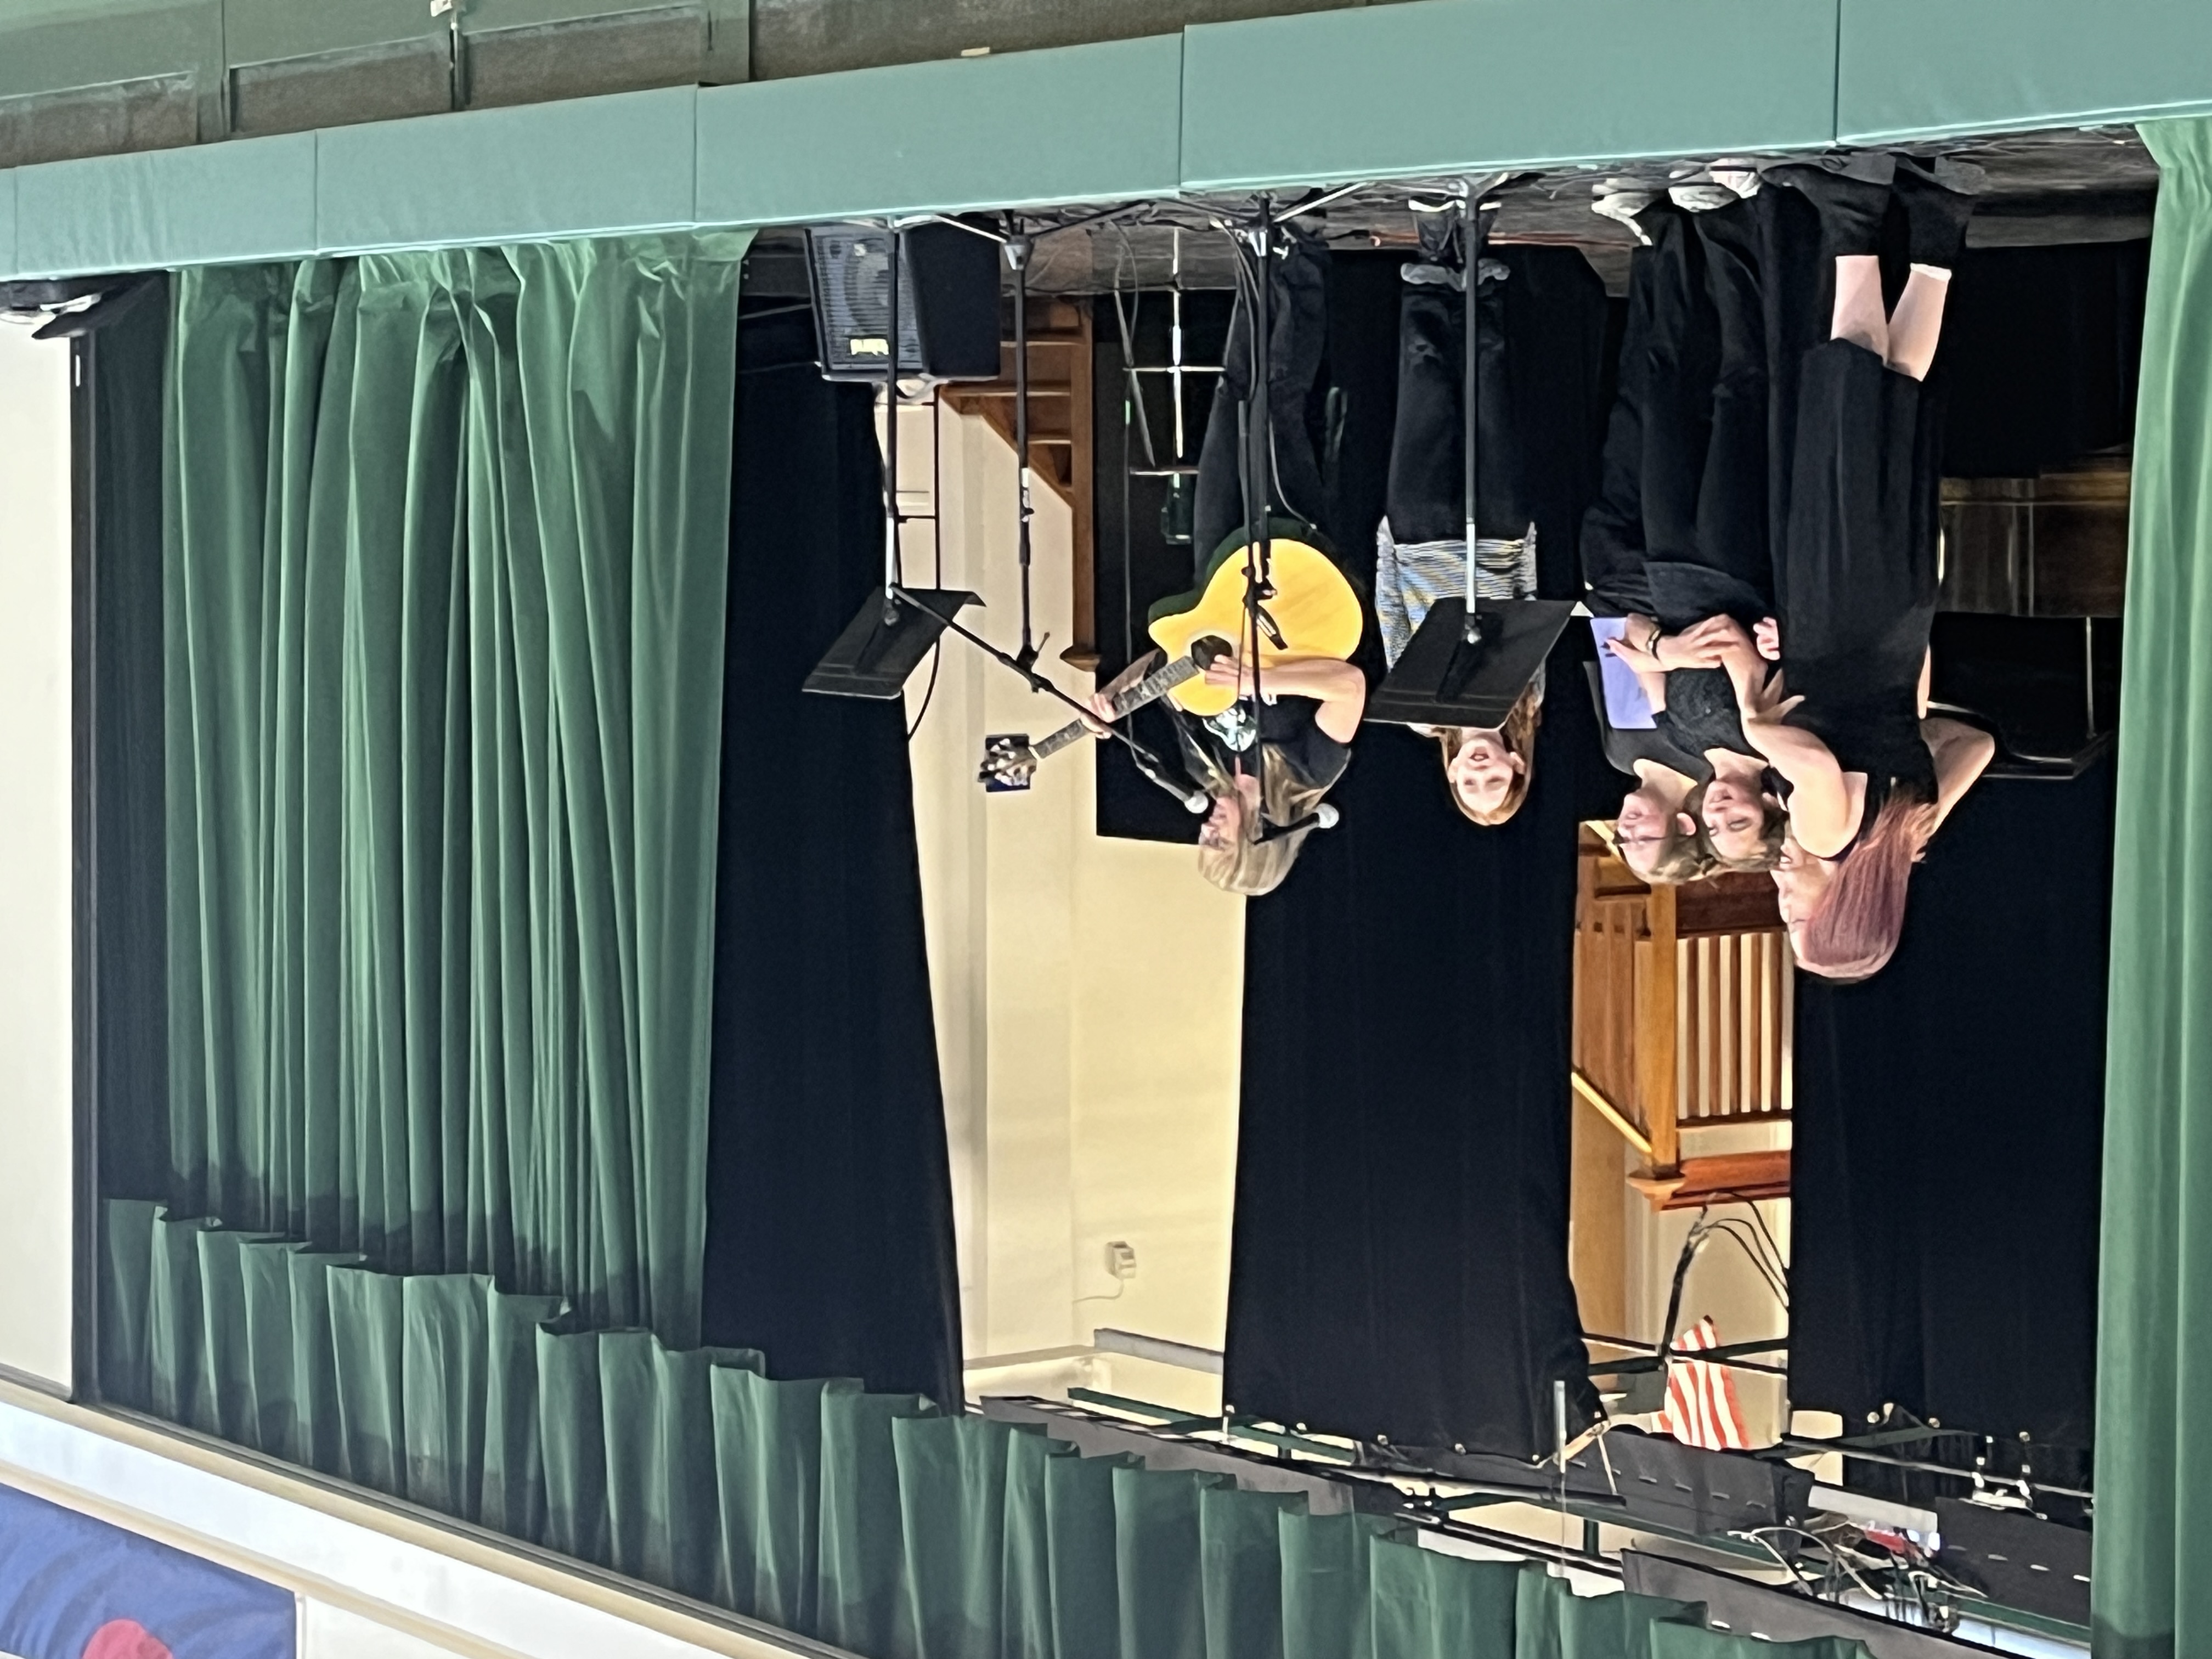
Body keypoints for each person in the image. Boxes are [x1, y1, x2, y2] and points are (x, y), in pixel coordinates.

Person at [1718, 153, 1997, 978]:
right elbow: (1806, 762)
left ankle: (1943, 221)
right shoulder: (1827, 835)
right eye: (1796, 915)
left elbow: (1970, 744)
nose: (1784, 900)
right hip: (1837, 612)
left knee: (1895, 407)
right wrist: (1757, 724)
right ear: (1836, 909)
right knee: (1847, 395)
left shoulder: (1912, 829)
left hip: (1899, 621)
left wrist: (1898, 725)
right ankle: (1853, 217)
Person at [1088, 223, 1365, 895]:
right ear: (1258, 840)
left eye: (1203, 832)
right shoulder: (1308, 772)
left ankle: (1252, 259)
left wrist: (1118, 700)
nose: (1208, 822)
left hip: (1216, 576)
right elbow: (1349, 687)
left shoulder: (1202, 760)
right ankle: (1301, 253)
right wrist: (1265, 680)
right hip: (1291, 580)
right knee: (1275, 411)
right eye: (1218, 836)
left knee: (1231, 404)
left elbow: (1174, 663)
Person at [1581, 188, 1789, 874]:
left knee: (1666, 391)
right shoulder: (1772, 738)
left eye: (1716, 823)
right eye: (1741, 820)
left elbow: (1630, 642)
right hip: (1733, 565)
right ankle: (1737, 229)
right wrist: (1673, 651)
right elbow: (1731, 638)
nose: (1722, 809)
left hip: (1670, 571)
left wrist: (1665, 647)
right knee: (1737, 392)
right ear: (1770, 807)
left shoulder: (1681, 735)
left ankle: (1667, 237)